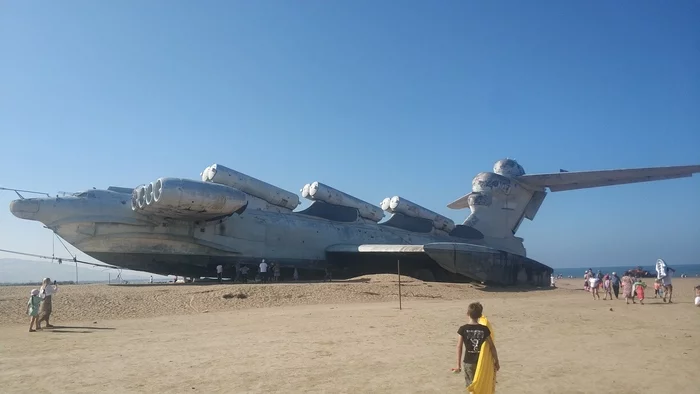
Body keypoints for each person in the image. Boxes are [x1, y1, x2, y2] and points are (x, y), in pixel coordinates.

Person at [452, 302, 500, 387]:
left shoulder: (463, 329)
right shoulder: (484, 329)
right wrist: (496, 361)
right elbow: (492, 346)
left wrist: (458, 365)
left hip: (468, 362)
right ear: (480, 315)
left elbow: (459, 347)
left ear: (467, 314)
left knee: (471, 386)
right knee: (481, 385)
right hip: (482, 362)